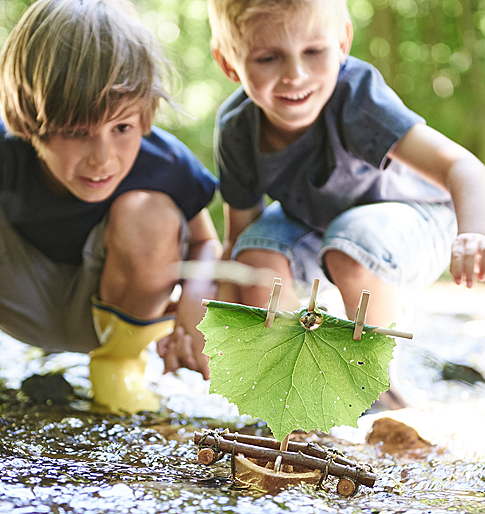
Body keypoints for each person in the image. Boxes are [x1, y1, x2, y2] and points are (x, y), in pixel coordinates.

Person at [0, 0, 221, 413]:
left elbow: (205, 243)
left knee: (150, 214)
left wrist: (196, 303)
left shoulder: (164, 161)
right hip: (7, 300)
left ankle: (119, 368)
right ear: (28, 119)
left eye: (122, 127)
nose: (103, 157)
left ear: (147, 115)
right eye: (77, 131)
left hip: (113, 314)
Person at [207, 0, 485, 408]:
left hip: (419, 221)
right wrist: (215, 325)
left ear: (342, 42)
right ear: (229, 63)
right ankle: (288, 394)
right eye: (268, 57)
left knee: (352, 244)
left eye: (314, 52)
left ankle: (377, 388)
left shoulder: (355, 96)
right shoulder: (237, 128)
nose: (294, 75)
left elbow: (462, 165)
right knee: (256, 256)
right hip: (318, 225)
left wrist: (473, 233)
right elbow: (236, 246)